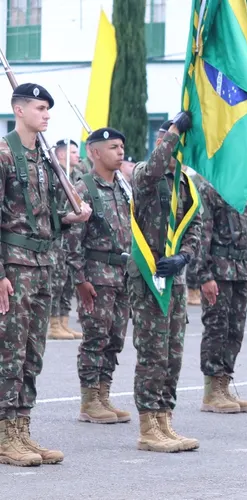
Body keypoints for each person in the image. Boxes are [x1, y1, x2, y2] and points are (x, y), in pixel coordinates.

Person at [0, 83, 93, 466]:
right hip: (14, 268)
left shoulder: (45, 159)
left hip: (43, 266)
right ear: (18, 110)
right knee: (9, 352)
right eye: (40, 107)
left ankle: (22, 428)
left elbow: (51, 215)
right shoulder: (4, 154)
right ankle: (5, 434)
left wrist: (75, 215)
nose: (47, 114)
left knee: (31, 354)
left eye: (48, 109)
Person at [128, 113, 202, 453]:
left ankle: (165, 420)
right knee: (152, 353)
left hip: (175, 277)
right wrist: (173, 130)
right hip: (148, 278)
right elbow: (156, 168)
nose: (171, 147)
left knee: (173, 353)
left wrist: (185, 256)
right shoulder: (145, 173)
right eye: (166, 141)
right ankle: (148, 426)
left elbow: (195, 227)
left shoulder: (186, 182)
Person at [65, 127, 133, 425]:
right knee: (95, 337)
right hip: (96, 275)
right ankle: (89, 400)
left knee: (115, 338)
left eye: (121, 147)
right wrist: (80, 279)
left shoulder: (124, 187)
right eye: (113, 147)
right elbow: (72, 239)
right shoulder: (83, 189)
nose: (120, 152)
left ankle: (104, 394)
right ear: (94, 152)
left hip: (123, 273)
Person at [194, 169, 247, 414]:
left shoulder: (245, 189)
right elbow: (201, 234)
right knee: (216, 327)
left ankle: (224, 383)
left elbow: (245, 230)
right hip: (218, 269)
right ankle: (211, 391)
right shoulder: (210, 188)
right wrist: (204, 275)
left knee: (235, 329)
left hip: (241, 268)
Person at [49, 138, 85, 340]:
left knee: (68, 281)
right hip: (58, 236)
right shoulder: (55, 174)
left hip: (74, 237)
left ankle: (63, 321)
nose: (77, 156)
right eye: (72, 152)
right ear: (61, 154)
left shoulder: (77, 176)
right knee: (56, 280)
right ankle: (53, 324)